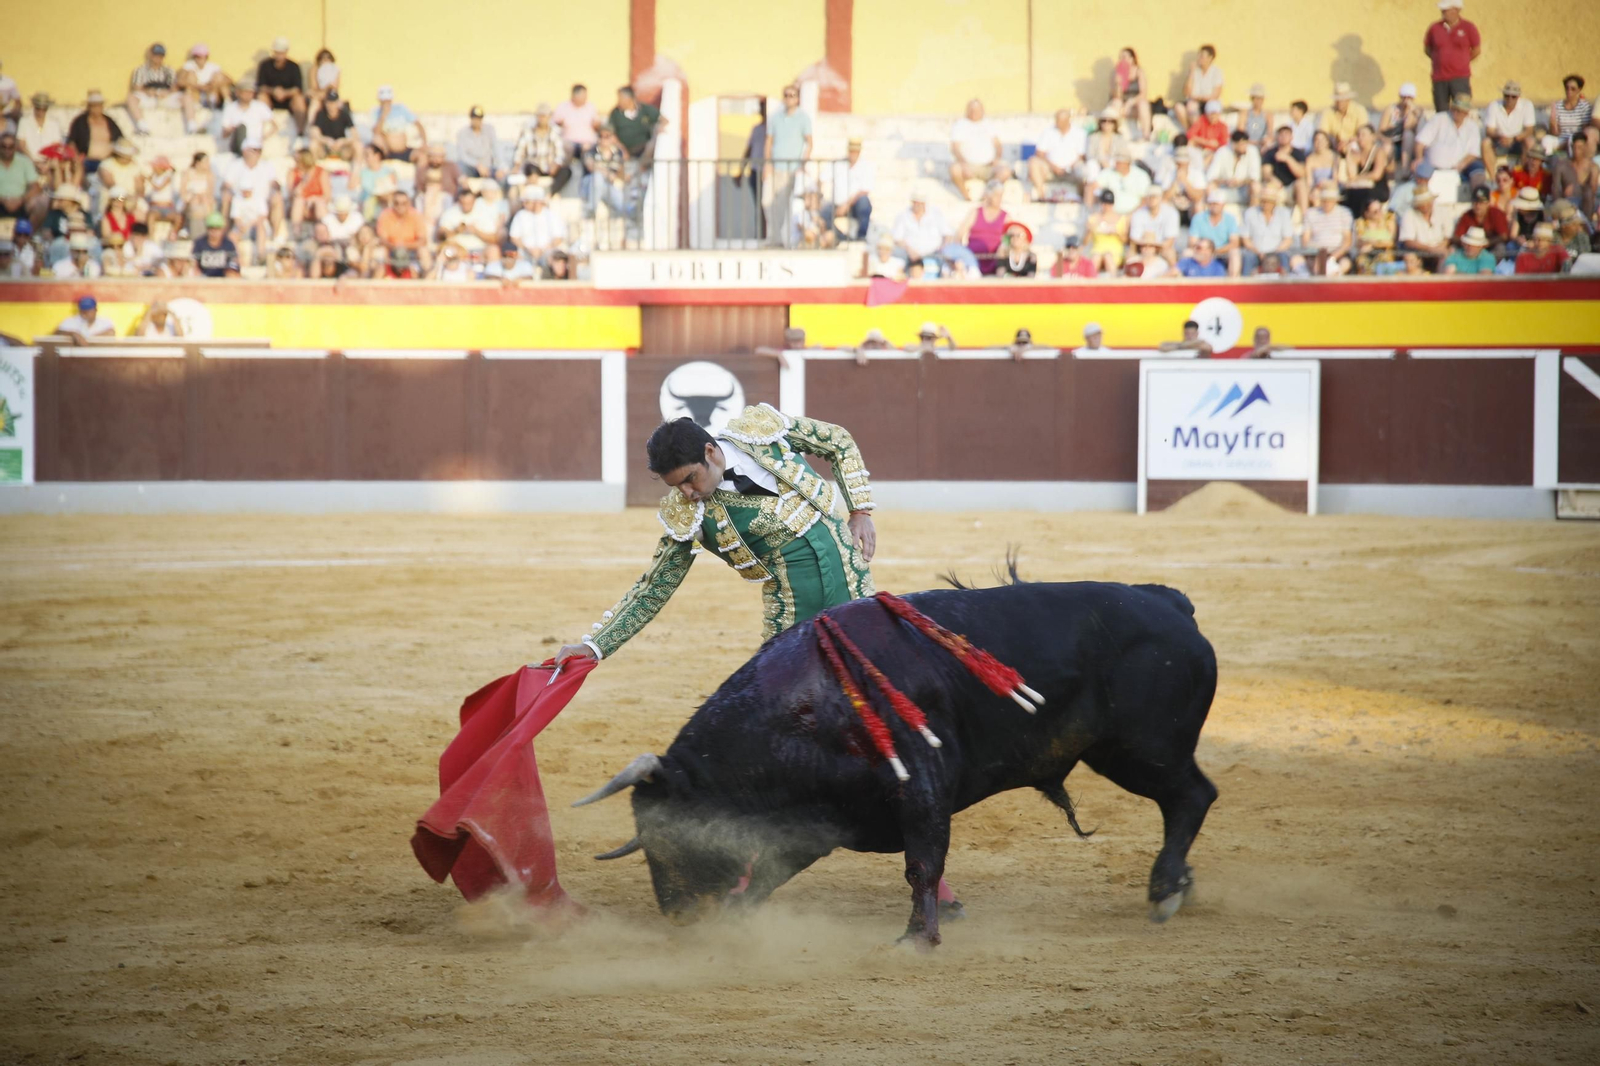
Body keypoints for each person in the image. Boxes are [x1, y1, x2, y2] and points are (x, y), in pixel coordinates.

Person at [558, 406, 877, 662]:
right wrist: (596, 645)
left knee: (872, 678)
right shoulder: (688, 515)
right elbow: (655, 588)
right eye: (677, 486)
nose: (687, 493)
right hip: (794, 611)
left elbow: (838, 441)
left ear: (710, 452)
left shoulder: (760, 431)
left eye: (690, 478)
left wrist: (860, 511)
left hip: (853, 579)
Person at [765, 84, 813, 248]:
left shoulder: (803, 118)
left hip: (794, 170)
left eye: (792, 95)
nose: (789, 98)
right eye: (786, 95)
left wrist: (802, 164)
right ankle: (775, 239)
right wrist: (767, 165)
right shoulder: (775, 118)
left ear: (797, 99)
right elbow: (769, 142)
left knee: (792, 206)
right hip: (776, 168)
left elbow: (809, 142)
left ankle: (787, 240)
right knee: (768, 203)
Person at [1415, 92, 1485, 186]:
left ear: (1466, 113)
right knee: (1421, 171)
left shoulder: (1472, 126)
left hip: (1459, 167)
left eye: (1459, 110)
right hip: (1433, 166)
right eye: (1454, 109)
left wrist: (1461, 165)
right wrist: (1419, 159)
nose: (1455, 113)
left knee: (1478, 170)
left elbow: (1473, 152)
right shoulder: (1439, 119)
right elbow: (1420, 142)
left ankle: (1479, 195)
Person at [1423, 0, 1480, 114]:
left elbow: (1476, 50)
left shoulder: (1468, 27)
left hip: (1460, 78)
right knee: (1441, 112)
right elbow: (1427, 49)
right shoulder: (1434, 28)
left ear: (1456, 10)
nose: (1443, 12)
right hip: (1439, 78)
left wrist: (1462, 61)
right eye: (1443, 10)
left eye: (1446, 10)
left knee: (1462, 110)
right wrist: (1439, 59)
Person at [949, 98, 1009, 196]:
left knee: (1005, 171)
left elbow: (998, 145)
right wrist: (963, 163)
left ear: (982, 111)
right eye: (972, 109)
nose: (974, 112)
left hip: (988, 166)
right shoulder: (960, 125)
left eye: (977, 110)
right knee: (954, 169)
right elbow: (955, 148)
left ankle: (986, 196)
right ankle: (967, 196)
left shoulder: (988, 124)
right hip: (968, 166)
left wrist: (997, 158)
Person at [1028, 109, 1086, 201]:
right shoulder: (1048, 131)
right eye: (1057, 120)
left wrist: (1069, 167)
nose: (1057, 122)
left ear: (1068, 120)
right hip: (1051, 168)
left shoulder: (1079, 133)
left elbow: (1082, 156)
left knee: (1085, 169)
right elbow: (1039, 153)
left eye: (1060, 120)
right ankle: (1041, 196)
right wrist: (1054, 167)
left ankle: (1083, 198)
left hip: (1072, 168)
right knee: (1033, 162)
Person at [513, 104, 570, 194]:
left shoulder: (555, 133)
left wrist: (556, 164)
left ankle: (549, 193)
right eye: (540, 116)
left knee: (566, 171)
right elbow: (519, 152)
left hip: (549, 168)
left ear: (549, 117)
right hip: (533, 166)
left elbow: (560, 154)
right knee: (530, 167)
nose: (542, 119)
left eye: (544, 116)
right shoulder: (527, 132)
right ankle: (530, 192)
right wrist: (517, 165)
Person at [1241, 185, 1298, 275]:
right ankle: (1246, 282)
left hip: (1277, 251)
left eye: (1269, 201)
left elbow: (1288, 239)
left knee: (1284, 256)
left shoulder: (1284, 213)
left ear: (1274, 202)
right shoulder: (1250, 213)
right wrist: (1258, 252)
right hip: (1256, 251)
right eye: (1263, 201)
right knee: (1248, 257)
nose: (1266, 204)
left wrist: (1274, 253)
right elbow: (1246, 239)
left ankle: (1286, 282)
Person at [1481, 80, 1536, 172]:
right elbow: (1489, 130)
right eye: (1507, 96)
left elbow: (1529, 130)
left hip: (1518, 141)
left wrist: (1514, 138)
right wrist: (1500, 136)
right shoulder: (1494, 105)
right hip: (1499, 141)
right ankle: (1493, 177)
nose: (1510, 99)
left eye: (1513, 96)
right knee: (1485, 143)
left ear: (1518, 97)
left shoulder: (1527, 105)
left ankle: (1522, 174)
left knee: (1530, 141)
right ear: (1503, 95)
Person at [256, 37, 307, 135]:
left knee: (299, 100)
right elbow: (261, 86)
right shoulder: (265, 65)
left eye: (281, 52)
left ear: (286, 52)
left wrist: (284, 93)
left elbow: (297, 89)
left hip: (289, 100)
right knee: (261, 97)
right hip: (270, 99)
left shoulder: (294, 66)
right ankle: (262, 129)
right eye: (277, 52)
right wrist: (273, 91)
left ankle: (300, 132)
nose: (279, 55)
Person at [508, 185, 567, 270]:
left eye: (527, 202)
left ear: (537, 202)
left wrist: (543, 250)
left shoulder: (551, 215)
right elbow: (514, 237)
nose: (524, 204)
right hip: (525, 252)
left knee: (555, 259)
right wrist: (528, 249)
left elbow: (558, 238)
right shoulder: (521, 215)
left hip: (547, 252)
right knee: (513, 256)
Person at [124, 43, 178, 136]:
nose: (158, 58)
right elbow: (136, 87)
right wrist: (148, 91)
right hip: (148, 97)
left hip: (165, 97)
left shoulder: (168, 70)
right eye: (155, 55)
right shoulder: (140, 70)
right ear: (150, 55)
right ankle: (142, 126)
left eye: (160, 56)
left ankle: (192, 127)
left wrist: (166, 92)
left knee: (186, 97)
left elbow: (175, 87)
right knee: (131, 97)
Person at [67, 91, 123, 179]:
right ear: (89, 106)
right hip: (87, 161)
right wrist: (76, 157)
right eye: (94, 106)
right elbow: (71, 142)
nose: (97, 108)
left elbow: (120, 140)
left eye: (99, 105)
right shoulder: (80, 122)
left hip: (107, 162)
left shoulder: (109, 121)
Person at [957, 180, 1008, 275]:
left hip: (995, 261)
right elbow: (960, 234)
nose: (999, 199)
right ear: (988, 195)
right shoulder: (975, 212)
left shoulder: (1006, 216)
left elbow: (1010, 237)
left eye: (1001, 195)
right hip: (972, 260)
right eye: (996, 195)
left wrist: (1003, 248)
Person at [1303, 182, 1355, 275]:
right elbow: (1305, 240)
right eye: (1325, 200)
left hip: (1338, 253)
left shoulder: (1345, 213)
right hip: (1316, 252)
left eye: (1330, 200)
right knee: (1298, 261)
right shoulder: (1311, 213)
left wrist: (1333, 257)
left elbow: (1347, 241)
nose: (1327, 203)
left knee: (1345, 264)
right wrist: (1315, 255)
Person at [176, 44, 229, 135]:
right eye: (198, 57)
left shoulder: (213, 67)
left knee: (219, 78)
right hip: (195, 94)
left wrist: (212, 85)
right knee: (190, 79)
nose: (200, 59)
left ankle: (228, 106)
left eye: (202, 57)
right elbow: (179, 82)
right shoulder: (189, 66)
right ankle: (192, 126)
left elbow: (229, 80)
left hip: (211, 94)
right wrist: (198, 86)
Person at [1189, 189, 1241, 275]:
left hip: (1223, 251)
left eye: (1216, 204)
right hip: (1202, 250)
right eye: (1211, 203)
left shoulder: (1230, 219)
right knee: (1187, 253)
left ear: (1223, 205)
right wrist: (1204, 249)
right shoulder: (1198, 218)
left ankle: (1233, 280)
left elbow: (1234, 243)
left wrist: (1216, 251)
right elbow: (1192, 242)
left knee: (1234, 253)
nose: (1214, 206)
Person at [831, 137, 874, 241]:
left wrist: (846, 205)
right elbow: (822, 178)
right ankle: (841, 238)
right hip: (837, 204)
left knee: (864, 203)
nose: (853, 154)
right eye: (851, 151)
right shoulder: (839, 163)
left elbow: (864, 191)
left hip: (854, 205)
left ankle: (861, 236)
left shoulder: (865, 166)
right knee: (824, 212)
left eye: (855, 151)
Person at [0, 131, 45, 229]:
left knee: (41, 202)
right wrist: (4, 200)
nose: (7, 150)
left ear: (15, 148)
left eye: (10, 147)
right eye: (4, 146)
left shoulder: (24, 161)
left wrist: (21, 200)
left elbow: (36, 187)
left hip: (21, 202)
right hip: (1, 201)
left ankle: (29, 234)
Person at [1378, 83, 1423, 179]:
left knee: (1408, 134)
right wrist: (1387, 137)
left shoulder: (1416, 110)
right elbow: (1380, 131)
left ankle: (1405, 171)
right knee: (1387, 147)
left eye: (1409, 98)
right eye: (1404, 97)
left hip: (1408, 143)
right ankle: (1387, 175)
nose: (1406, 100)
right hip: (1391, 140)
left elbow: (1411, 127)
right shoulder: (1391, 109)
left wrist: (1411, 112)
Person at [219, 80, 275, 155]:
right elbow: (224, 134)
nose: (248, 95)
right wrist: (232, 129)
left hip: (255, 145)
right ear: (238, 93)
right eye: (246, 92)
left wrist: (264, 137)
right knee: (241, 128)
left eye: (250, 92)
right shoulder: (230, 108)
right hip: (238, 145)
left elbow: (274, 125)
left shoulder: (260, 106)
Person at [553, 84, 599, 173]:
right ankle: (564, 172)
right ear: (574, 96)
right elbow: (554, 125)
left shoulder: (590, 107)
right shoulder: (563, 107)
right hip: (568, 141)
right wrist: (560, 124)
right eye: (583, 96)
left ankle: (587, 174)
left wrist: (596, 125)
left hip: (587, 142)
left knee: (588, 150)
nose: (586, 98)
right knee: (566, 148)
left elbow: (597, 125)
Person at [609, 85, 663, 161]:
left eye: (621, 98)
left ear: (629, 98)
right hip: (624, 153)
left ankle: (643, 164)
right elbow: (610, 132)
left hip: (644, 150)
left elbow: (662, 119)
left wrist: (661, 126)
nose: (619, 101)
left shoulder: (644, 109)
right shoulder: (615, 113)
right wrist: (622, 149)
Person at [1177, 45, 1224, 131]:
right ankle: (1190, 131)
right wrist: (1191, 73)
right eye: (1198, 55)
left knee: (1193, 106)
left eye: (1202, 56)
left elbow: (1216, 95)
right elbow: (1186, 92)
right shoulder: (1194, 70)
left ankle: (1198, 132)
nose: (1199, 58)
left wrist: (1199, 98)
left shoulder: (1216, 71)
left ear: (1210, 58)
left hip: (1209, 102)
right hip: (1194, 101)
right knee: (1179, 107)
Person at [1399, 187, 1451, 266]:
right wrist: (1431, 249)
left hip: (1441, 248)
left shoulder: (1442, 211)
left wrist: (1440, 247)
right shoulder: (1409, 214)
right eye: (1422, 203)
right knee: (1411, 257)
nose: (1425, 206)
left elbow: (1448, 236)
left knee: (1450, 253)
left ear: (1432, 201)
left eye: (1427, 202)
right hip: (1420, 252)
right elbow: (1408, 242)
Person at [369, 85, 422, 161]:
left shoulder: (400, 108)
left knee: (422, 156)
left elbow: (418, 124)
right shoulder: (376, 112)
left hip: (404, 150)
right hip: (387, 152)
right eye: (384, 101)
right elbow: (376, 133)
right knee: (376, 139)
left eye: (388, 100)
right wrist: (383, 116)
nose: (386, 103)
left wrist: (424, 143)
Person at [1453, 184, 1509, 255]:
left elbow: (1503, 236)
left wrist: (1487, 243)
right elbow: (1456, 237)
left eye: (1481, 202)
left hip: (1490, 246)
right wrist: (1468, 244)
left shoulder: (1496, 214)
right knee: (1453, 249)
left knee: (1500, 248)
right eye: (1475, 202)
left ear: (1488, 203)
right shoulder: (1467, 215)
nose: (1478, 206)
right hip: (1470, 247)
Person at [1108, 48, 1152, 139]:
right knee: (1116, 103)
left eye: (1124, 57)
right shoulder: (1115, 72)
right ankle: (1115, 135)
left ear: (1132, 59)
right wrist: (1118, 84)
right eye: (1120, 57)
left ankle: (1146, 135)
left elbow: (1143, 93)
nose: (1121, 60)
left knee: (1143, 104)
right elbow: (1116, 96)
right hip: (1122, 107)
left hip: (1135, 105)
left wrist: (1130, 102)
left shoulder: (1139, 71)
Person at [1086, 188, 1128, 274]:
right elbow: (1085, 241)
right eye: (1104, 203)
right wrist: (1090, 231)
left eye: (1109, 204)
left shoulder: (1122, 218)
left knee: (1108, 256)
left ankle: (1113, 280)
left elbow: (1125, 241)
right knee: (1096, 257)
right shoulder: (1093, 218)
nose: (1106, 206)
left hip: (1114, 250)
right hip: (1097, 249)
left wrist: (1116, 233)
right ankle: (1091, 280)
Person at [1549, 75, 1594, 153]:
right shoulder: (1558, 105)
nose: (1569, 91)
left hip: (1576, 138)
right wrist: (1553, 122)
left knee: (1571, 141)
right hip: (1561, 139)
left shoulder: (1584, 106)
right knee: (1546, 140)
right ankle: (1549, 159)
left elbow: (1585, 129)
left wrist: (1570, 141)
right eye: (1567, 88)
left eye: (1573, 89)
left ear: (1579, 90)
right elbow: (1555, 133)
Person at [456, 106, 500, 181]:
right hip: (470, 168)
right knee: (460, 169)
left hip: (487, 169)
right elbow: (462, 156)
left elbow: (496, 149)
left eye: (479, 119)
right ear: (471, 118)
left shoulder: (489, 130)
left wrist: (500, 167)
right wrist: (477, 165)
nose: (477, 121)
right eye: (475, 118)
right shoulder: (463, 133)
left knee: (502, 177)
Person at [1321, 83, 1368, 152]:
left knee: (1354, 146)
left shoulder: (1359, 110)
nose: (1339, 102)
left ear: (1348, 99)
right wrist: (1333, 141)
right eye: (1337, 99)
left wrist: (1347, 142)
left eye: (1342, 99)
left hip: (1354, 145)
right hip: (1335, 145)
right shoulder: (1328, 112)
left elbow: (1363, 134)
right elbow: (1323, 133)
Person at [192, 212, 239, 278]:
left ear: (222, 229)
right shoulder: (200, 243)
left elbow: (234, 265)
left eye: (217, 229)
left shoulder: (228, 244)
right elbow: (194, 264)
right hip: (203, 278)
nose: (214, 232)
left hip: (224, 279)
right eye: (211, 228)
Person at [310, 92, 355, 159]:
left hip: (341, 147)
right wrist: (326, 140)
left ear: (338, 103)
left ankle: (357, 165)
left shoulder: (344, 114)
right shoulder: (321, 114)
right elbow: (315, 133)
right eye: (329, 102)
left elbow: (354, 135)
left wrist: (342, 141)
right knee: (313, 145)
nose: (331, 105)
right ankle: (316, 164)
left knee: (357, 146)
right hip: (325, 146)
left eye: (333, 102)